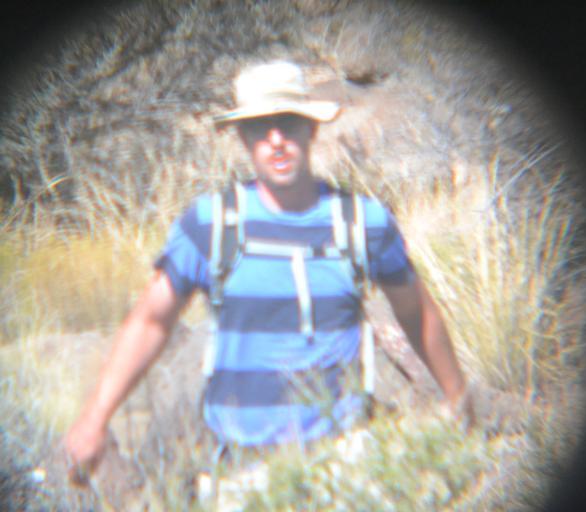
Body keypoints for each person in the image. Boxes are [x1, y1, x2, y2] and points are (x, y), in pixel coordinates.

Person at [64, 60, 471, 481]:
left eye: (288, 123)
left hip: (344, 463)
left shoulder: (362, 221)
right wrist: (94, 419)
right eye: (261, 127)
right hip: (239, 465)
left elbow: (416, 312)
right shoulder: (210, 224)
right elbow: (151, 321)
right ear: (244, 136)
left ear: (310, 128)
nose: (276, 140)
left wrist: (457, 398)